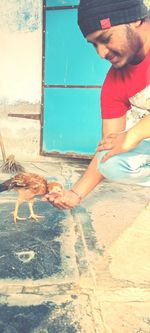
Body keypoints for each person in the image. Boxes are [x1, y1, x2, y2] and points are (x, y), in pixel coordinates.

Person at [46, 0, 150, 209]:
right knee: (108, 159)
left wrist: (133, 135)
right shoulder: (115, 82)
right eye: (94, 44)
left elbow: (130, 138)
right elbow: (109, 144)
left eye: (105, 38)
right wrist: (75, 194)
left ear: (135, 19)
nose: (101, 53)